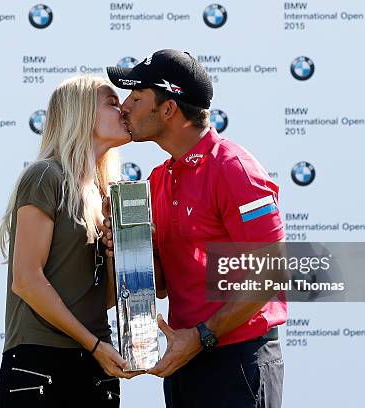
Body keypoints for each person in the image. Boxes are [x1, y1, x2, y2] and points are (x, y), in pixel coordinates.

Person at [103, 50, 287, 407]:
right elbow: (162, 285)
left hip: (238, 360)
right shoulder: (158, 179)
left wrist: (203, 335)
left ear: (169, 109)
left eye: (136, 97)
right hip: (187, 360)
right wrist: (128, 250)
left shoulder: (235, 169)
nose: (124, 106)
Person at [0, 75, 139, 407]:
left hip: (97, 368)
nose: (125, 111)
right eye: (113, 103)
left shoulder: (108, 194)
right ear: (82, 112)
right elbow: (27, 280)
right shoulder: (46, 176)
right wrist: (94, 345)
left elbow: (101, 299)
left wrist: (117, 253)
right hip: (41, 367)